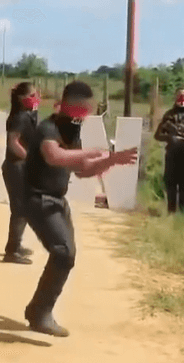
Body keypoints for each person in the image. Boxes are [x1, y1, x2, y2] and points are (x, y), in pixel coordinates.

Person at [21, 81, 138, 337]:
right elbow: (55, 157)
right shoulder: (47, 128)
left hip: (56, 200)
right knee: (63, 252)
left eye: (84, 111)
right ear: (63, 106)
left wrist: (110, 160)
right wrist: (94, 152)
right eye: (76, 110)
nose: (80, 116)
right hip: (36, 198)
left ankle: (37, 310)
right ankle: (40, 313)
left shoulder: (71, 134)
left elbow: (82, 171)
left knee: (67, 255)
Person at [1, 82, 40, 265]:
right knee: (20, 210)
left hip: (20, 167)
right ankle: (12, 251)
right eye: (32, 95)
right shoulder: (20, 117)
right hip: (16, 167)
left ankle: (15, 246)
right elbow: (13, 142)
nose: (36, 97)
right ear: (22, 98)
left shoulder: (26, 115)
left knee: (23, 209)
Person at [154, 88, 184, 213]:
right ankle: (171, 213)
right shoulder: (169, 115)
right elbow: (157, 135)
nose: (183, 99)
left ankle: (182, 215)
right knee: (171, 185)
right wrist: (171, 138)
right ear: (176, 98)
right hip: (172, 155)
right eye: (181, 96)